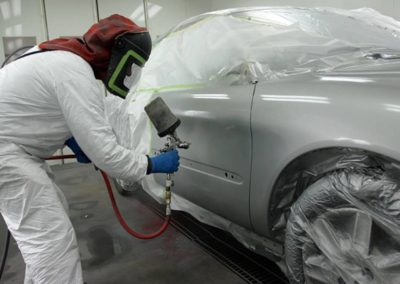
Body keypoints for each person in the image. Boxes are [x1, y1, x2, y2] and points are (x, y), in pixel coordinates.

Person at [0, 14, 179, 283]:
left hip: (15, 150)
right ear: (117, 55)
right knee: (53, 244)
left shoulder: (60, 54)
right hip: (7, 154)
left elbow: (38, 105)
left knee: (44, 239)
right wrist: (153, 163)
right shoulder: (74, 71)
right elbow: (107, 155)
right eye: (131, 66)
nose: (130, 75)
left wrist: (72, 137)